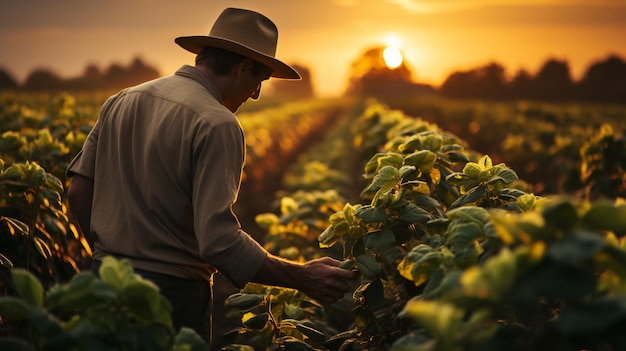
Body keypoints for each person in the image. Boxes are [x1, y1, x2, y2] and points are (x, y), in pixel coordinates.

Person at [65, 7, 356, 344]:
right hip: (172, 297)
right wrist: (302, 276)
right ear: (243, 68)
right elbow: (218, 241)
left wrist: (110, 262)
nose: (255, 94)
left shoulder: (121, 100)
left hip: (103, 285)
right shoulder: (217, 124)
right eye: (258, 81)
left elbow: (78, 193)